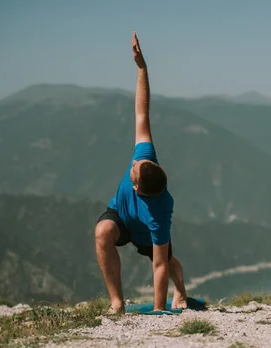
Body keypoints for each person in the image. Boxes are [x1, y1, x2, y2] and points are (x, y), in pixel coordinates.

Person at [94, 32, 187, 314]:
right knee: (102, 232)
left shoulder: (159, 213)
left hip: (145, 229)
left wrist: (159, 310)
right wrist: (141, 67)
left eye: (133, 171)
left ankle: (180, 291)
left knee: (168, 263)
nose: (132, 165)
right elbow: (142, 113)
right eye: (136, 165)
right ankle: (116, 303)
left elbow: (158, 265)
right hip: (122, 217)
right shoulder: (145, 158)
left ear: (137, 188)